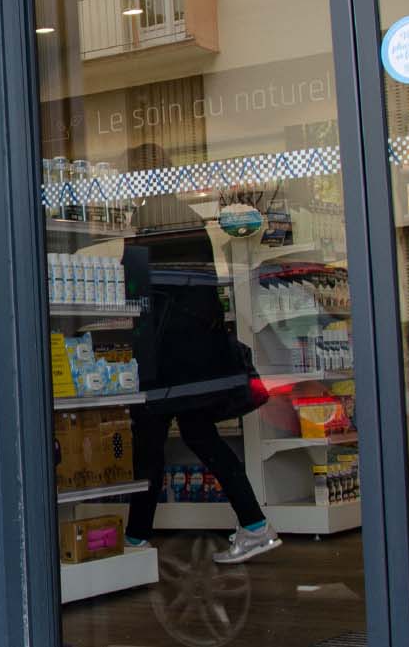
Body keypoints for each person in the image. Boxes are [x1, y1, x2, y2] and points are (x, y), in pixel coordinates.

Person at [119, 143, 279, 565]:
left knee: (149, 444)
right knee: (198, 435)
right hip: (196, 353)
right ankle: (255, 525)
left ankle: (136, 541)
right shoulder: (187, 216)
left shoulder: (150, 217)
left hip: (166, 356)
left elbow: (137, 287)